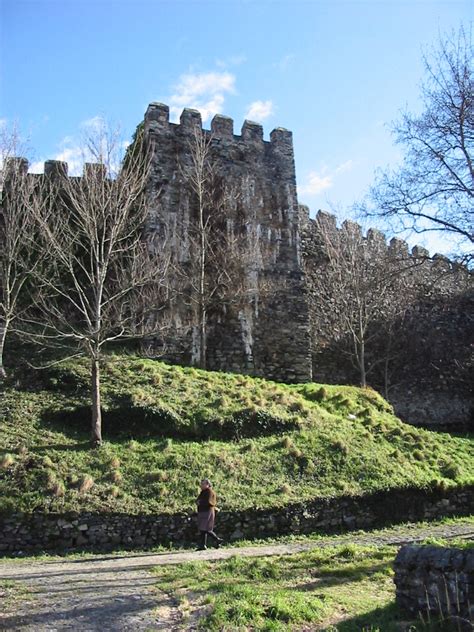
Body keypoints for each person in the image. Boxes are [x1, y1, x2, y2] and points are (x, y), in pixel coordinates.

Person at [196, 478, 223, 550]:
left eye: (203, 484)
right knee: (203, 529)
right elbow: (198, 499)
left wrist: (200, 502)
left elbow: (209, 502)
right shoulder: (203, 492)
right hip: (203, 511)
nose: (201, 485)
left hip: (207, 512)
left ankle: (217, 540)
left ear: (207, 484)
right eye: (201, 484)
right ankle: (203, 545)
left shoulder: (210, 492)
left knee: (205, 529)